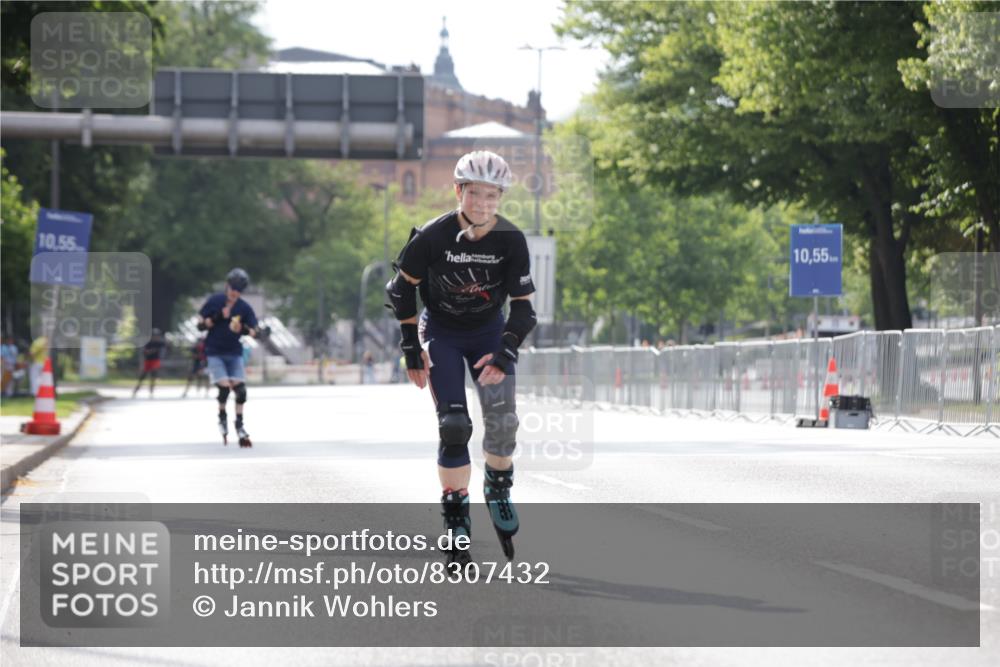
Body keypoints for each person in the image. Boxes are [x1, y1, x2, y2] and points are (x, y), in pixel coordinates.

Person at [385, 150, 536, 564]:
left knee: (503, 425)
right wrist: (411, 349)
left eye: (492, 196)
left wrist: (505, 352)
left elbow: (524, 308)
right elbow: (400, 290)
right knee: (454, 425)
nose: (483, 204)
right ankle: (455, 517)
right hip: (443, 335)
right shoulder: (433, 237)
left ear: (501, 197)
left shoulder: (510, 240)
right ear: (458, 191)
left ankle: (497, 487)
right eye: (474, 194)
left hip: (489, 333)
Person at [197, 268, 263, 447]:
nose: (235, 294)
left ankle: (239, 424)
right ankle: (222, 417)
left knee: (241, 390)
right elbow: (200, 325)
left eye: (239, 291)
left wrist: (242, 329)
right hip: (215, 352)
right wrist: (218, 317)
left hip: (234, 353)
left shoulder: (244, 307)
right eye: (233, 289)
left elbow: (255, 331)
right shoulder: (215, 301)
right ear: (227, 286)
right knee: (225, 388)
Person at [132, 329, 166, 398]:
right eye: (154, 335)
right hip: (148, 361)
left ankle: (151, 392)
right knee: (142, 377)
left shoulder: (160, 343)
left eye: (156, 336)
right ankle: (136, 390)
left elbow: (165, 348)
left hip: (155, 361)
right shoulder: (148, 343)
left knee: (153, 375)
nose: (155, 337)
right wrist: (150, 351)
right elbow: (145, 352)